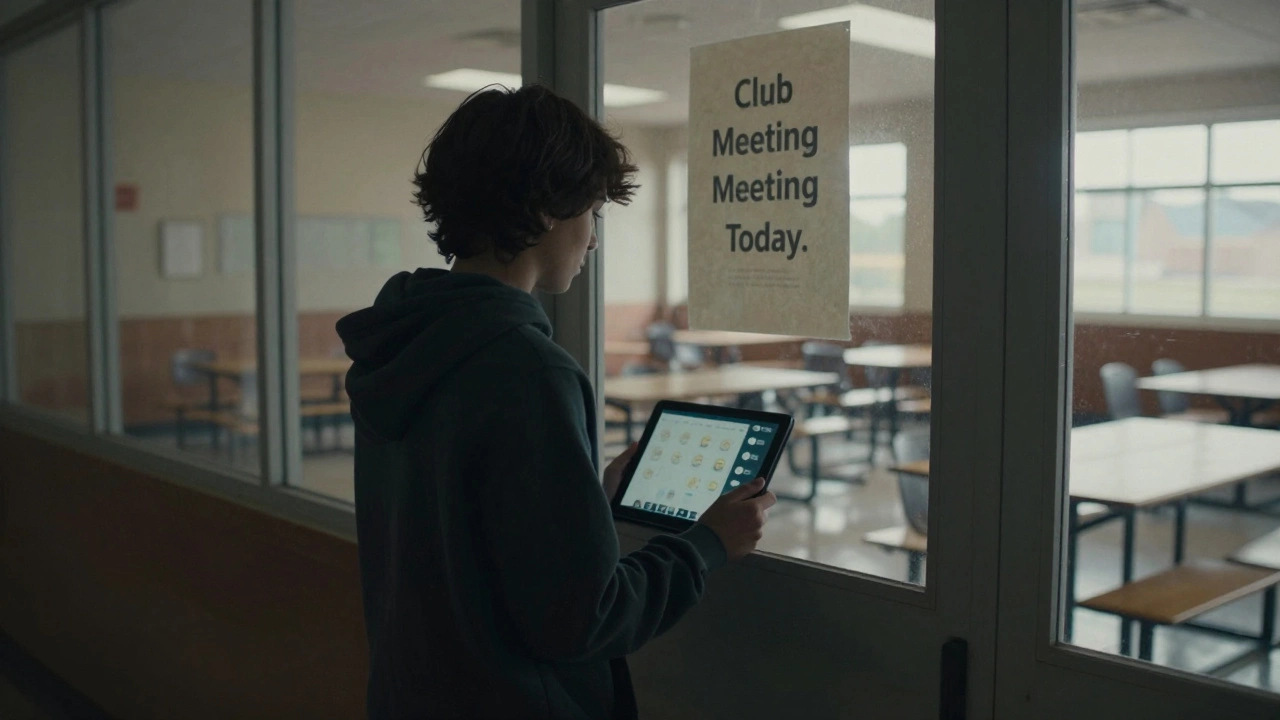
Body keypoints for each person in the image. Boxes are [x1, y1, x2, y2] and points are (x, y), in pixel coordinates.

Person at [336, 84, 777, 720]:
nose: (593, 240)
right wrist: (706, 543)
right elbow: (583, 621)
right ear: (547, 211)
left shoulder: (399, 343)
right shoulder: (526, 368)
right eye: (593, 211)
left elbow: (460, 536)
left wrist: (583, 505)